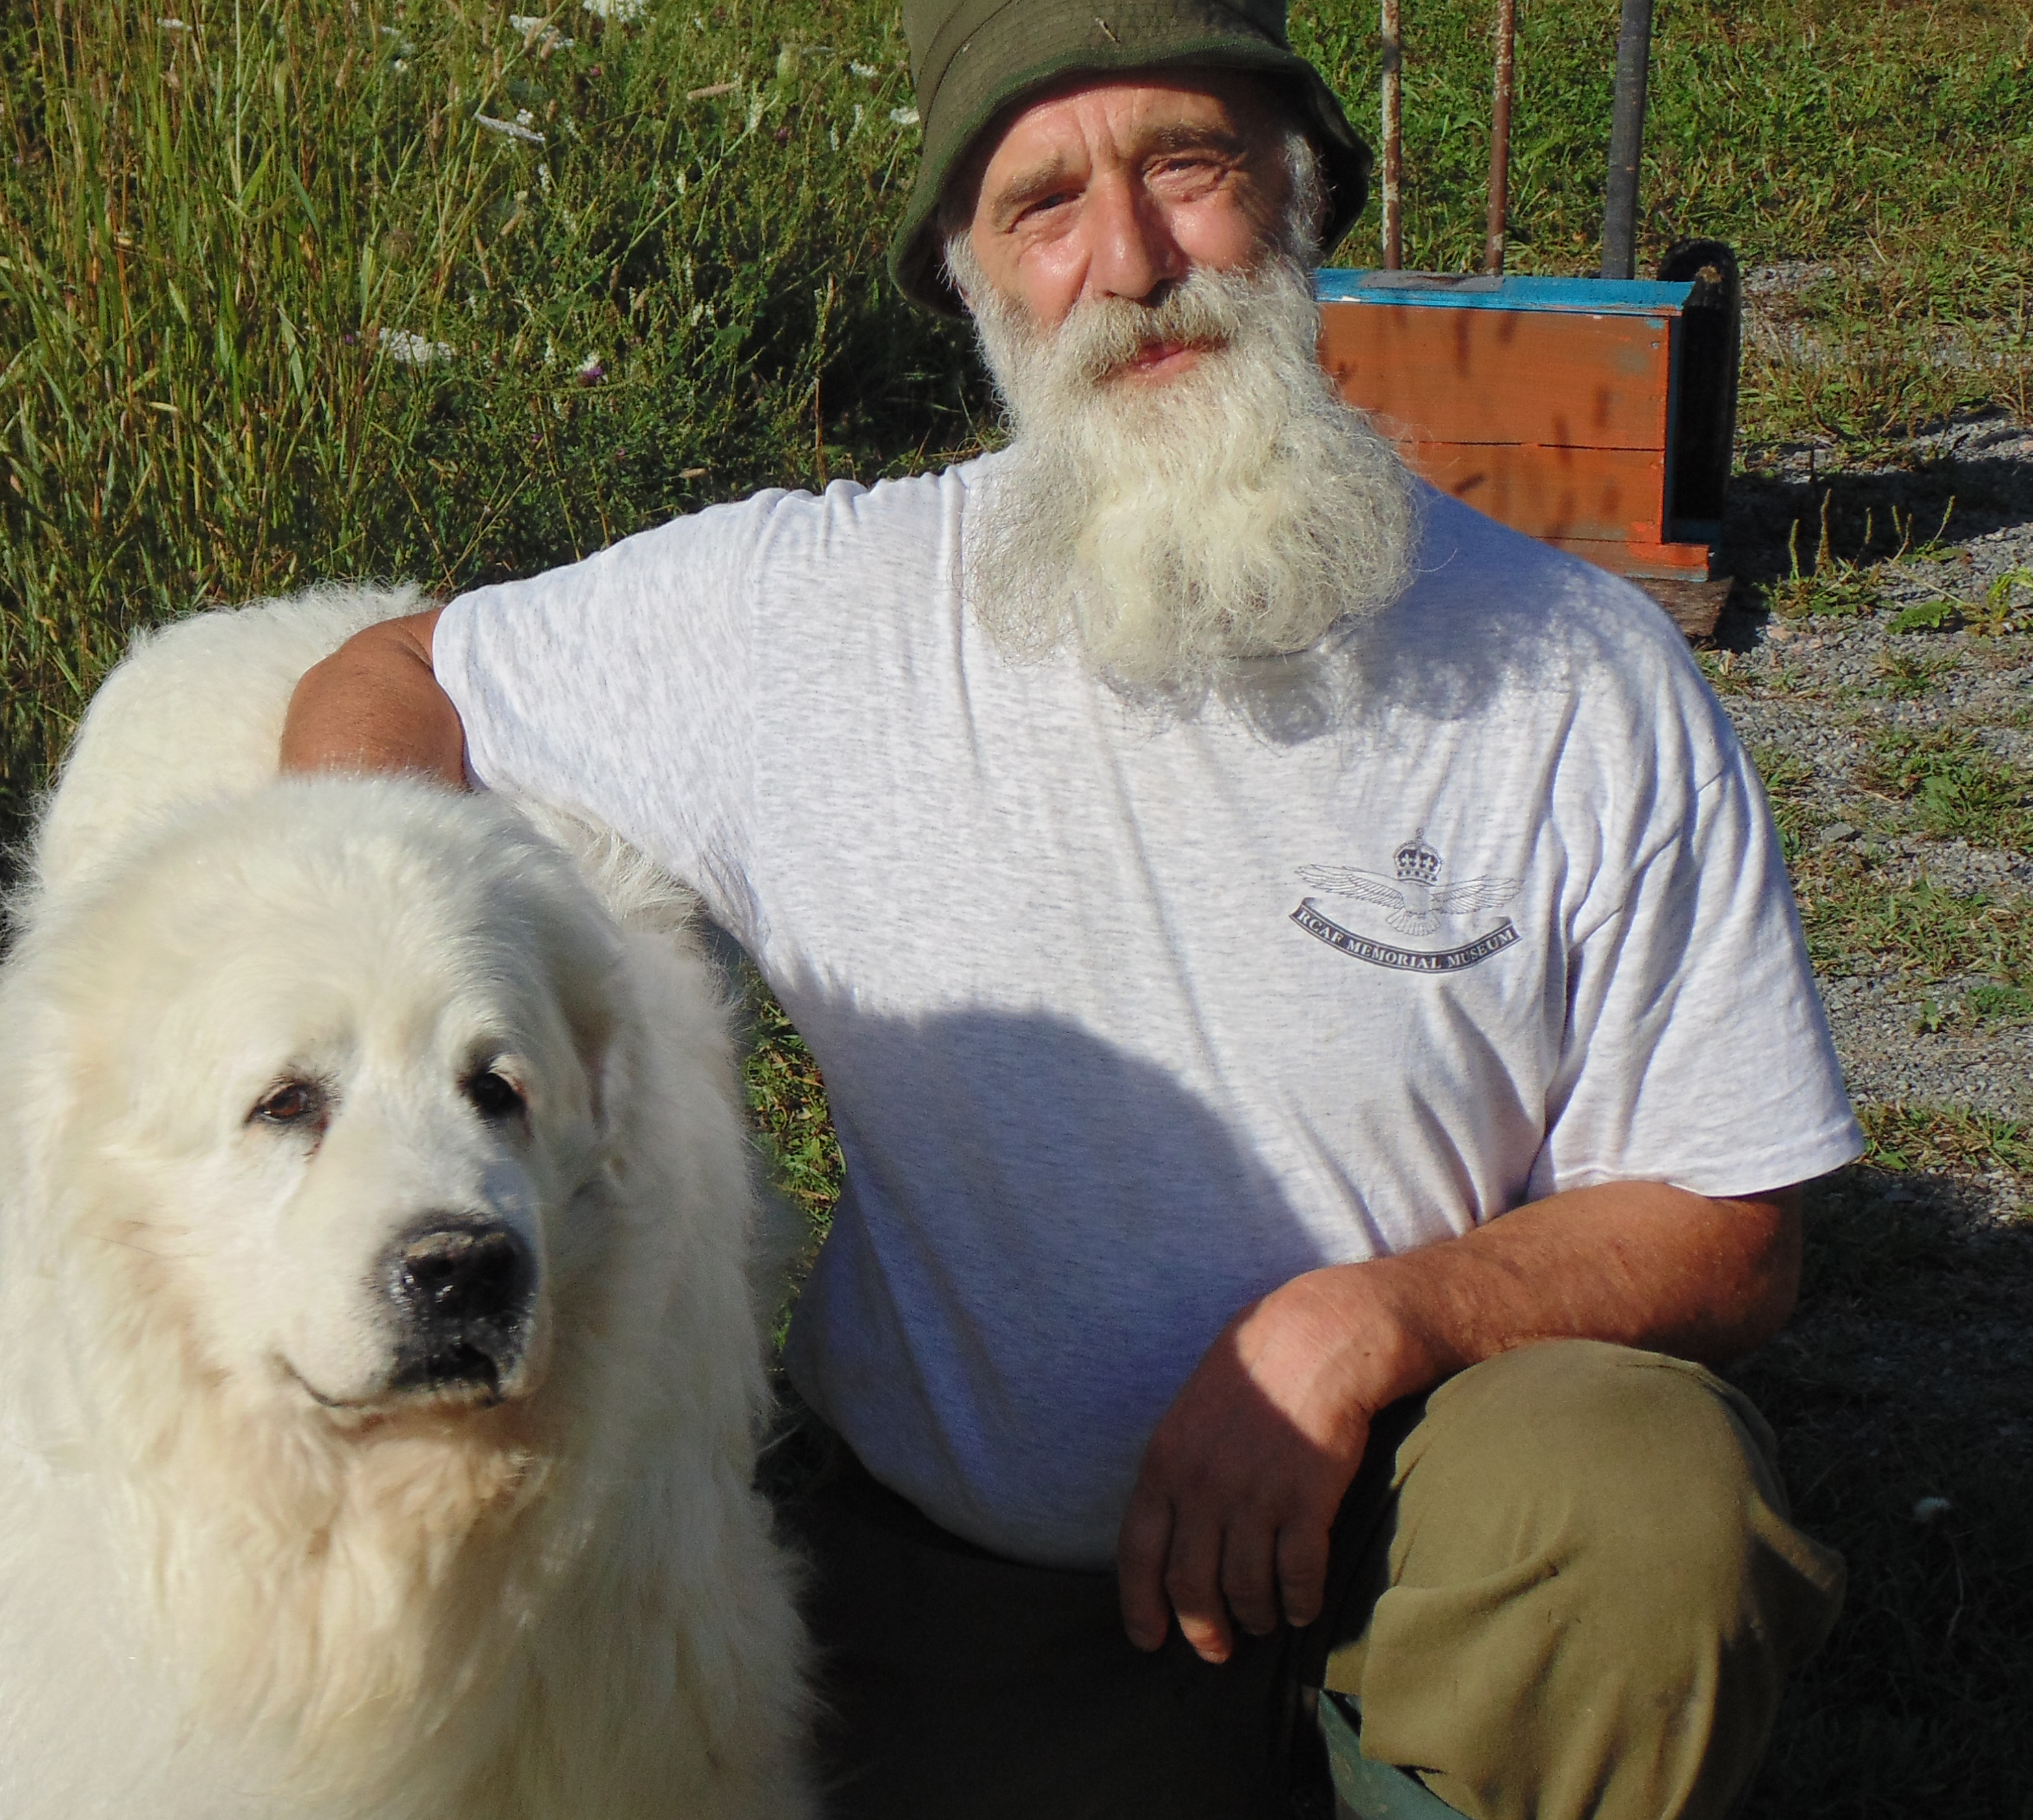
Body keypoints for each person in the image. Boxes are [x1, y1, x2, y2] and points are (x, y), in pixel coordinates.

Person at [280, 3, 1856, 1814]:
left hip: (1421, 1533)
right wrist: (386, 1020)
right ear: (971, 279)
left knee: (1642, 1501)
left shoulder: (1572, 674)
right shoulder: (815, 618)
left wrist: (1367, 1325)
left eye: (1186, 164)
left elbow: (1735, 1222)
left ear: (1298, 191)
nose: (1129, 262)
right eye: (1041, 204)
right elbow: (396, 676)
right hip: (984, 1579)